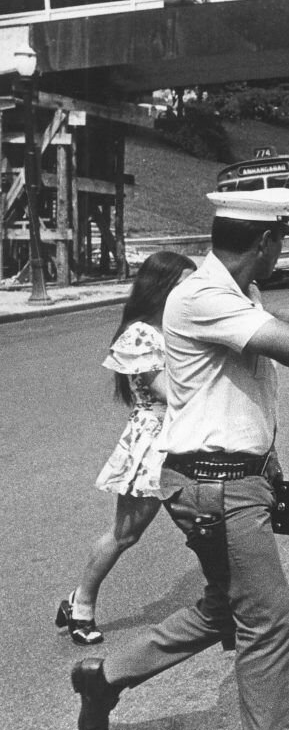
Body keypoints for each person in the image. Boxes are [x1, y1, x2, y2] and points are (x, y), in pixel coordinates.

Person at [70, 188, 289, 730]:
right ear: (266, 243)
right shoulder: (203, 297)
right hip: (217, 487)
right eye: (283, 239)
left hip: (231, 479)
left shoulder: (237, 295)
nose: (286, 249)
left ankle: (104, 676)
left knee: (227, 607)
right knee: (269, 620)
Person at [55, 252, 197, 645]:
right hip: (155, 441)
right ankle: (79, 603)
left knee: (205, 525)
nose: (192, 291)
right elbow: (169, 392)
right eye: (185, 283)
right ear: (162, 287)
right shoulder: (140, 335)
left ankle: (232, 602)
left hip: (189, 436)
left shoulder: (180, 329)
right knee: (126, 534)